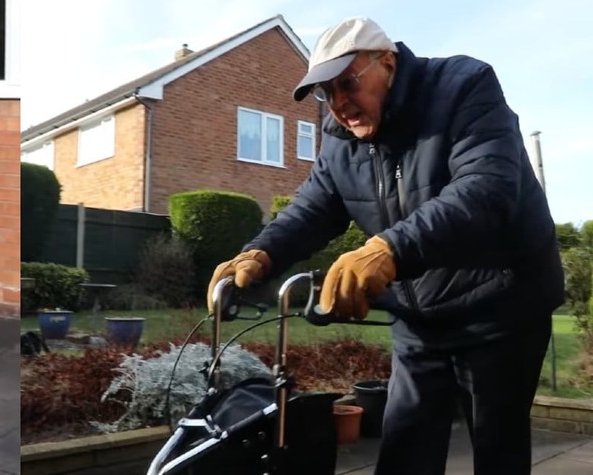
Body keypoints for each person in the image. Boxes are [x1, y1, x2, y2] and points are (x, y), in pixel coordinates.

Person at [208, 17, 563, 475]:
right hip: (421, 318)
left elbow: (486, 189)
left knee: (497, 448)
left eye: (347, 83)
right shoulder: (340, 142)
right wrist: (260, 253)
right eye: (326, 92)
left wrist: (389, 250)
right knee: (405, 447)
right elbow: (311, 210)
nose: (339, 104)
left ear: (388, 63)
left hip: (501, 305)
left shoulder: (464, 87)